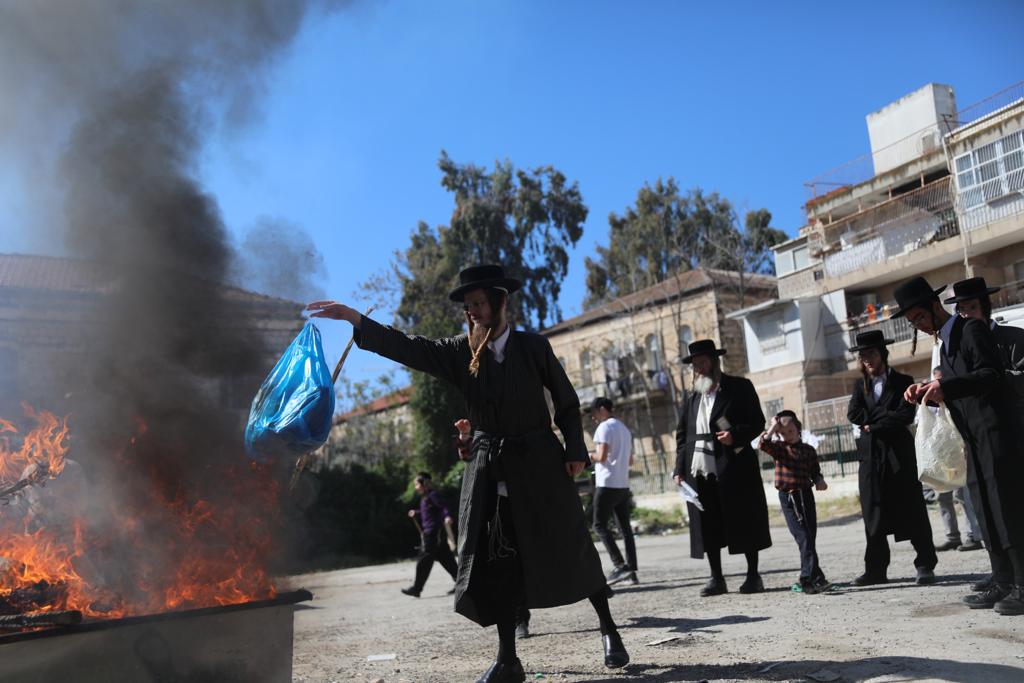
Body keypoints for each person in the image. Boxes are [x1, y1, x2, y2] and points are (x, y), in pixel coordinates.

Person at [308, 264, 628, 683]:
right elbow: (410, 347)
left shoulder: (534, 348)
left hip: (538, 465)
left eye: (479, 303)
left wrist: (574, 450)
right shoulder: (461, 353)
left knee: (571, 545)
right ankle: (508, 660)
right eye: (468, 305)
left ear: (500, 302)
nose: (473, 311)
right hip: (488, 468)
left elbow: (566, 403)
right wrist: (356, 320)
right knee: (498, 561)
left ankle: (609, 628)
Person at [898, 276, 1024, 615]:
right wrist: (927, 391)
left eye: (920, 318)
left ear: (934, 306)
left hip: (997, 434)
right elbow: (957, 391)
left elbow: (990, 376)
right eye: (913, 323)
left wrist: (946, 388)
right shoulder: (945, 344)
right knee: (984, 508)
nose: (920, 326)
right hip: (971, 439)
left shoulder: (971, 330)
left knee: (1006, 508)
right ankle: (1002, 579)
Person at [672, 339, 771, 596]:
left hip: (734, 466)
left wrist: (735, 436)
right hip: (700, 469)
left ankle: (753, 576)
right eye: (695, 365)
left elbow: (757, 422)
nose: (699, 369)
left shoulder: (739, 387)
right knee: (708, 523)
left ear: (715, 362)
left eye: (703, 363)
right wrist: (678, 469)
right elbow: (682, 436)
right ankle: (717, 578)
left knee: (744, 519)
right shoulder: (692, 398)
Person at [846, 329, 937, 587]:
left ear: (882, 354)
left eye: (871, 354)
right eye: (863, 356)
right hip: (871, 459)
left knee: (912, 510)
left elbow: (904, 416)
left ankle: (925, 564)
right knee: (873, 513)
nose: (868, 360)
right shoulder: (858, 386)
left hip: (899, 456)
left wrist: (873, 425)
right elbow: (853, 414)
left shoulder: (903, 381)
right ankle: (875, 569)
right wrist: (883, 419)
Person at [456, 417, 531, 640]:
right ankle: (519, 619)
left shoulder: (518, 420)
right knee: (506, 567)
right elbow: (467, 457)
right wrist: (465, 436)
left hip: (524, 502)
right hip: (495, 507)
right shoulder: (479, 422)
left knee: (524, 563)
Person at [758, 410, 832, 594]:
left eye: (790, 431)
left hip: (805, 495)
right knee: (803, 537)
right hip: (788, 497)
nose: (787, 436)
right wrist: (774, 426)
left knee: (809, 538)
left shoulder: (808, 450)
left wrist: (819, 480)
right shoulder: (779, 449)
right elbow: (763, 444)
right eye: (783, 433)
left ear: (798, 429)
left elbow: (815, 470)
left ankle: (818, 578)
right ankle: (807, 579)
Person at [926, 367, 984, 554]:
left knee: (962, 494)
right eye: (936, 381)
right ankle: (952, 536)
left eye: (941, 381)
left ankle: (973, 536)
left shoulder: (959, 402)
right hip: (941, 455)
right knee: (942, 496)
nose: (938, 386)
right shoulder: (931, 404)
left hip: (959, 454)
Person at [587, 396, 638, 586]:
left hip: (607, 483)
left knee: (599, 525)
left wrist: (586, 456)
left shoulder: (604, 427)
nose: (593, 418)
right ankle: (631, 573)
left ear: (602, 409)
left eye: (593, 413)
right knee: (625, 530)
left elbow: (600, 456)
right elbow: (631, 461)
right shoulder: (624, 429)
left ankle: (619, 565)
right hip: (622, 484)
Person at [402, 472, 458, 598]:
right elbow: (427, 513)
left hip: (433, 534)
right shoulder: (426, 498)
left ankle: (416, 588)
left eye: (417, 484)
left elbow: (443, 507)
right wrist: (416, 512)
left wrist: (448, 516)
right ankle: (462, 583)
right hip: (432, 534)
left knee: (424, 560)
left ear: (424, 483)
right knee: (446, 559)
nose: (416, 487)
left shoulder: (433, 495)